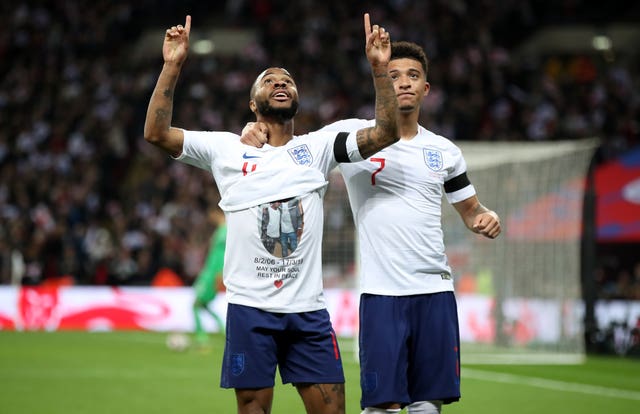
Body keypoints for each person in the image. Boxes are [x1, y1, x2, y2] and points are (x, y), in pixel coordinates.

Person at [143, 13, 399, 414]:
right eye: (270, 80)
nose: (281, 83)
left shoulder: (319, 147)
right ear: (251, 103)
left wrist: (380, 70)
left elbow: (387, 132)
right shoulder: (225, 148)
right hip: (250, 310)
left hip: (308, 312)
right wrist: (172, 65)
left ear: (298, 99)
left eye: (288, 81)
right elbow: (156, 134)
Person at [241, 41, 502, 413]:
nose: (404, 83)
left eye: (413, 76)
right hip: (381, 294)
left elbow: (472, 210)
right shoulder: (352, 134)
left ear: (426, 89)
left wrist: (485, 218)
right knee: (381, 405)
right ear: (379, 80)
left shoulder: (445, 151)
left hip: (435, 291)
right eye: (393, 75)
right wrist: (255, 130)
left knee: (428, 404)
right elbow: (294, 146)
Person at [192, 206, 226, 346]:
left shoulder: (226, 230)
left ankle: (201, 335)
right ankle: (221, 327)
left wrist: (220, 273)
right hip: (209, 271)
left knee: (195, 305)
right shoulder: (221, 230)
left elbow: (224, 255)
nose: (210, 218)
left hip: (212, 274)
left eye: (211, 214)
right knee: (203, 305)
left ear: (216, 212)